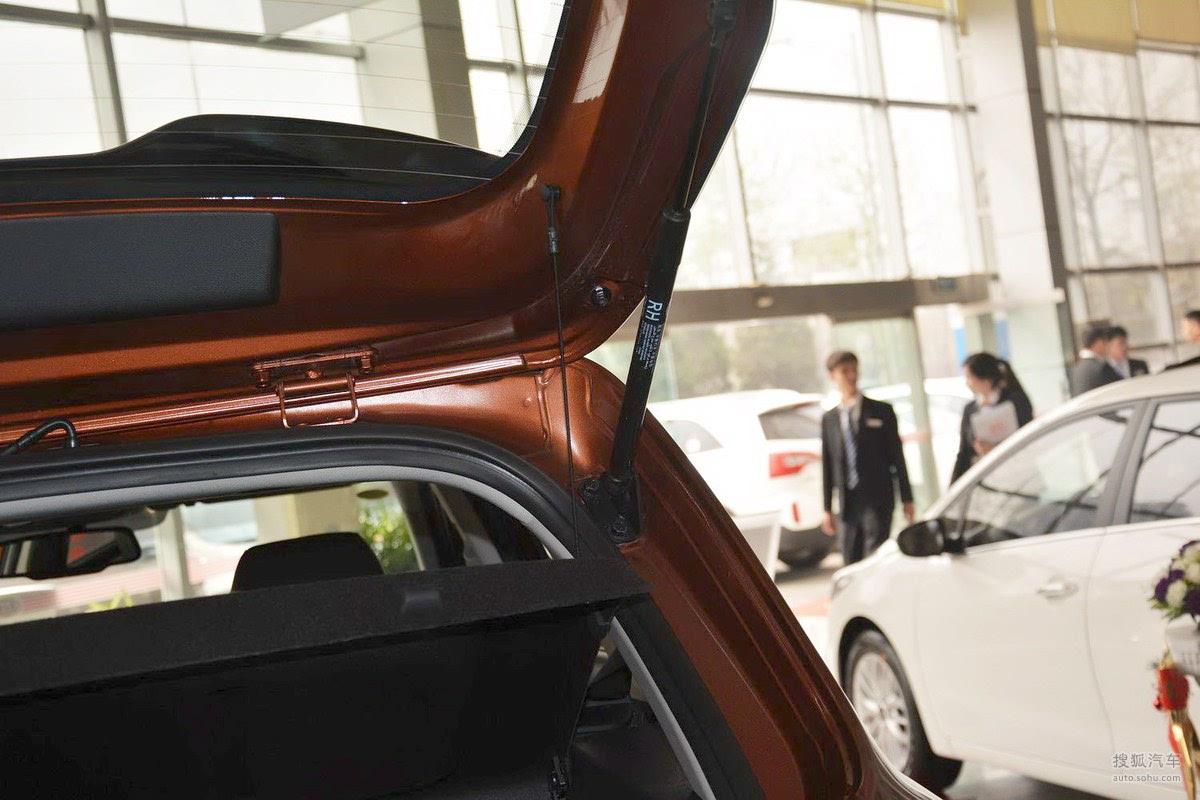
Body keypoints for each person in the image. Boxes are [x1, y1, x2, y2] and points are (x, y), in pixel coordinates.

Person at [820, 351, 914, 565]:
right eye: (845, 371)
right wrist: (827, 508)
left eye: (854, 370)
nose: (852, 376)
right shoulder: (830, 419)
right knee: (850, 557)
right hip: (848, 502)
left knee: (875, 556)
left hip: (878, 498)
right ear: (832, 376)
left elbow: (897, 457)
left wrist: (907, 499)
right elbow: (828, 465)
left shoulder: (882, 411)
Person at [951, 353, 1034, 484]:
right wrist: (954, 485)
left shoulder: (1016, 401)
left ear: (985, 379)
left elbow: (1030, 439)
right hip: (987, 480)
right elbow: (964, 453)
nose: (967, 384)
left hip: (1020, 477)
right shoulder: (970, 410)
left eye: (969, 377)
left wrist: (995, 450)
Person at [1068, 325, 1121, 397]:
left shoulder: (1075, 369)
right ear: (1099, 342)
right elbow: (1121, 389)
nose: (1108, 346)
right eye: (1106, 342)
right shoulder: (1102, 368)